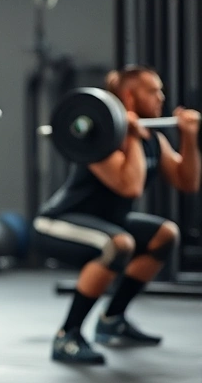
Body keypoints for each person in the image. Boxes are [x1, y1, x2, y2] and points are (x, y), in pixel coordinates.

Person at [34, 66, 200, 365]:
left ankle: (112, 319)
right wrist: (132, 138)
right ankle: (67, 336)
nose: (161, 96)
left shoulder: (154, 138)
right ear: (129, 96)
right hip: (60, 222)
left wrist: (188, 138)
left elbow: (187, 182)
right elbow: (130, 186)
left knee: (165, 235)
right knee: (118, 244)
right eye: (153, 90)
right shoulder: (100, 138)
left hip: (107, 222)